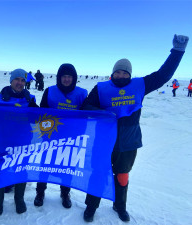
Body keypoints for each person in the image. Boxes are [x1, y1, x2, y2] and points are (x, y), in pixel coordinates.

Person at [81, 34, 189, 222]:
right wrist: (105, 112)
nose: (121, 75)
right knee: (98, 173)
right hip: (104, 142)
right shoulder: (101, 88)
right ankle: (91, 206)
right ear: (112, 73)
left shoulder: (139, 86)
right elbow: (86, 107)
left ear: (130, 75)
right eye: (118, 72)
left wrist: (177, 51)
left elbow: (163, 75)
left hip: (129, 143)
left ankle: (119, 206)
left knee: (122, 176)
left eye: (125, 73)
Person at [0, 68, 38, 215]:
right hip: (2, 142)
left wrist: (31, 103)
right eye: (17, 79)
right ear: (11, 80)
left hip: (23, 142)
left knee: (21, 169)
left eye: (23, 80)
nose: (20, 83)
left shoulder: (29, 99)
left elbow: (36, 117)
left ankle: (19, 199)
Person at [34, 63, 88, 209]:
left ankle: (65, 193)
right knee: (44, 165)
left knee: (67, 166)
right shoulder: (50, 91)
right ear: (59, 77)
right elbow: (41, 114)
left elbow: (86, 116)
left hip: (70, 138)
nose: (66, 79)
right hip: (50, 136)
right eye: (63, 76)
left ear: (74, 78)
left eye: (69, 76)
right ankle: (40, 192)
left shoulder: (82, 93)